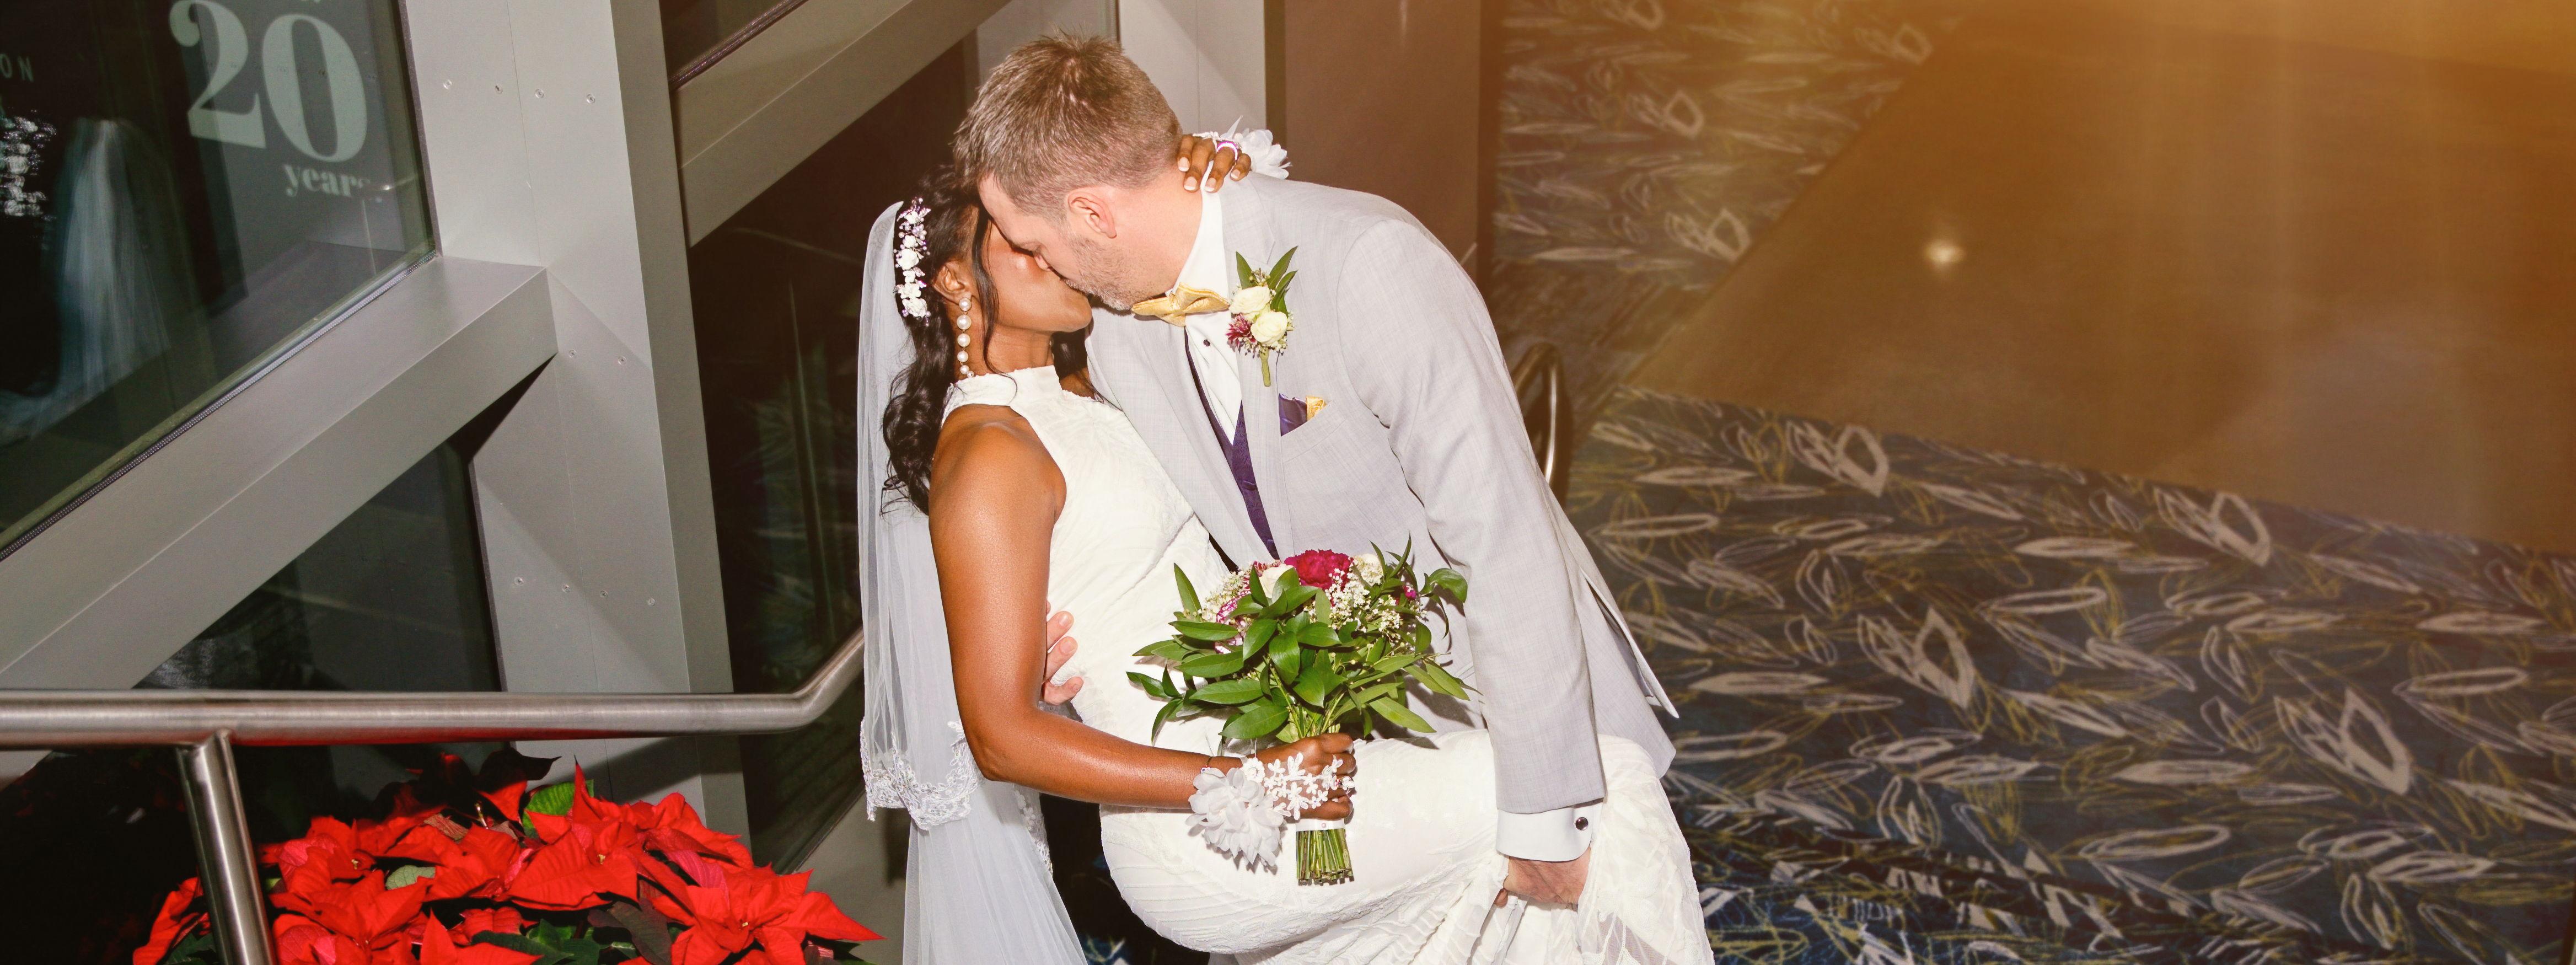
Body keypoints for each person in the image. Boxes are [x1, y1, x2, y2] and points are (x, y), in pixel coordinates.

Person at [857, 37, 1705, 965]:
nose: (1048, 264)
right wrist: (1070, 685)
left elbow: (1504, 536)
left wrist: (1543, 812)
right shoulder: (1104, 342)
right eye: (1022, 248)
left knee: (1570, 845)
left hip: (1458, 701)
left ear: (1093, 213)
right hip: (1275, 768)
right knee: (1596, 838)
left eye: (1036, 240)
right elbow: (1027, 671)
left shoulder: (1361, 267)